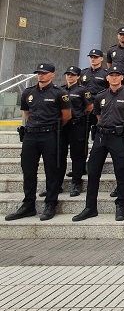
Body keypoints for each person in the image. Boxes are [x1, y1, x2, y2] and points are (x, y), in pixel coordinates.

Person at [5, 63, 71, 222]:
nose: (41, 75)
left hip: (50, 135)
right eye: (39, 73)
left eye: (44, 73)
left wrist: (50, 127)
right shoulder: (28, 92)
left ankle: (50, 204)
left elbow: (66, 116)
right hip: (31, 135)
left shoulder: (59, 93)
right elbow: (27, 113)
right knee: (28, 171)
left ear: (52, 74)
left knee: (51, 171)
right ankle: (28, 205)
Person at [72, 66, 124, 222]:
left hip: (118, 136)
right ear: (107, 78)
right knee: (93, 171)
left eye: (117, 75)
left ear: (121, 78)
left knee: (121, 172)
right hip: (101, 136)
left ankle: (121, 205)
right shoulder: (100, 96)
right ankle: (90, 207)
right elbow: (98, 115)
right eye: (111, 75)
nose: (114, 78)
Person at [61, 66, 93, 197]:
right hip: (62, 126)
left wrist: (78, 116)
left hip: (77, 125)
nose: (70, 77)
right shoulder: (60, 90)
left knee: (77, 155)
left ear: (78, 77)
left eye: (73, 75)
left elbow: (89, 107)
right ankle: (57, 183)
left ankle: (76, 182)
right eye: (68, 74)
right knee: (60, 155)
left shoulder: (82, 90)